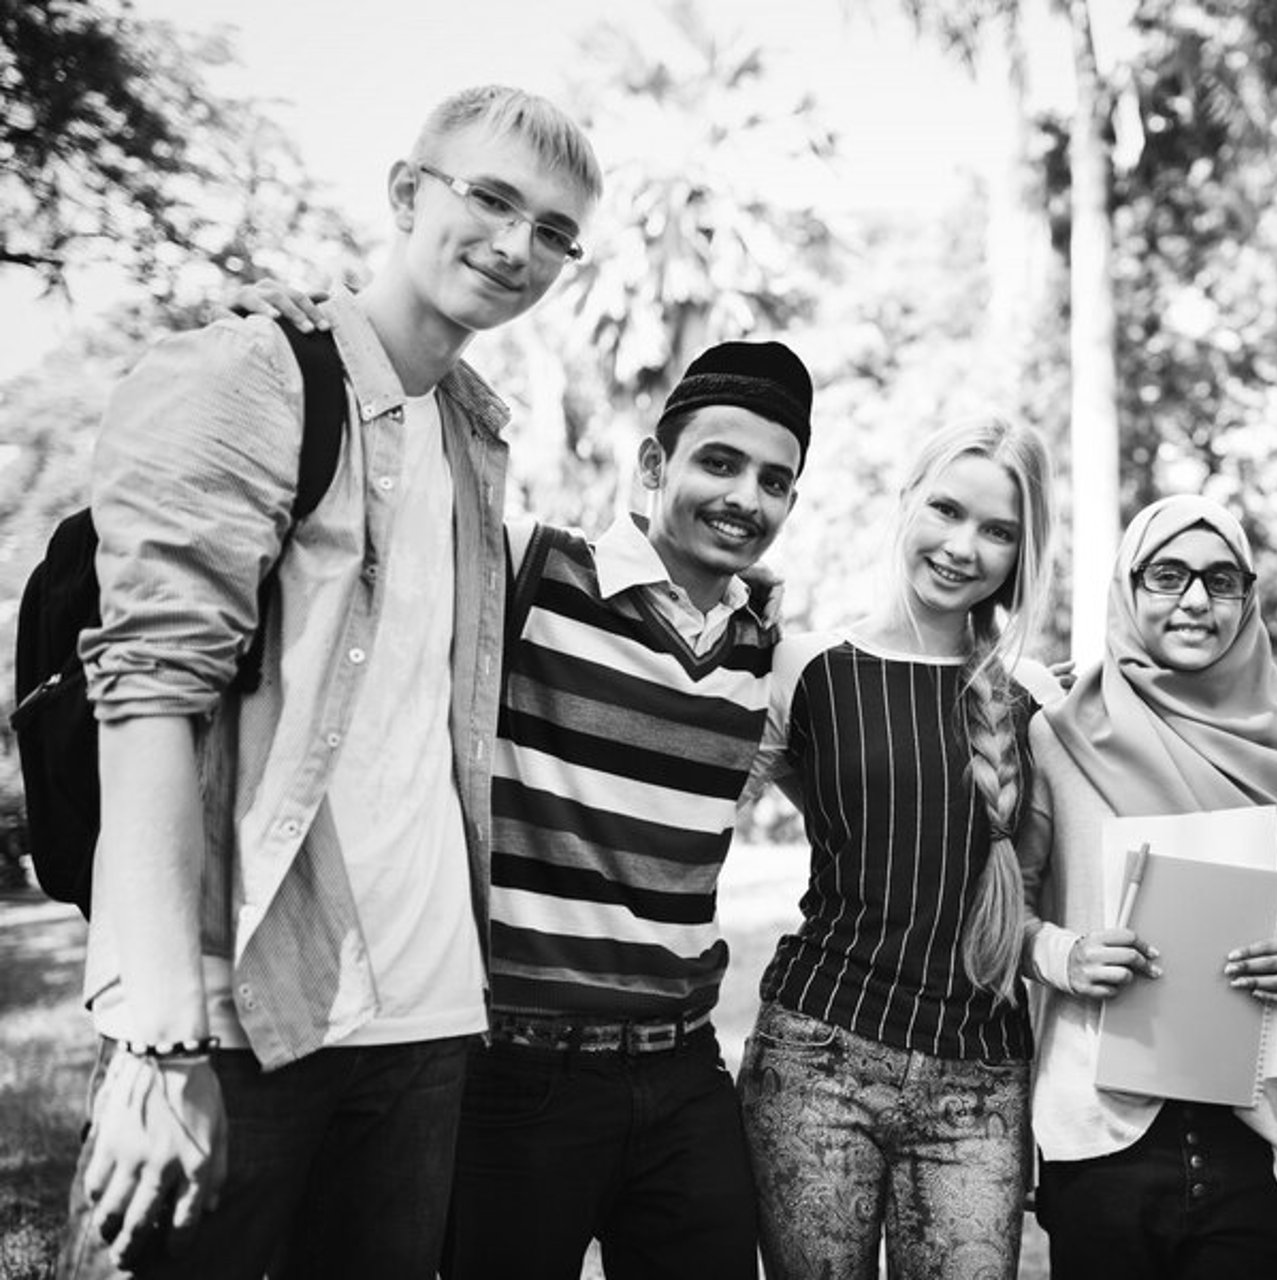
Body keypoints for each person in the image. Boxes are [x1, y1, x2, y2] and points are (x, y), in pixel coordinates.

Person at [64, 86, 601, 1280]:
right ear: (408, 193)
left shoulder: (474, 438)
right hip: (236, 1009)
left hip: (424, 1014)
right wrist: (160, 1033)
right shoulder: (249, 373)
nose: (520, 246)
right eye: (492, 199)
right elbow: (149, 690)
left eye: (557, 230)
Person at [440, 341, 810, 1279]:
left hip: (685, 1072)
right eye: (718, 463)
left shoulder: (761, 658)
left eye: (774, 481)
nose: (745, 498)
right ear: (654, 466)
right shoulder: (529, 570)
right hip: (518, 1070)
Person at [738, 417, 1059, 1280]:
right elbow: (697, 805)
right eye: (947, 510)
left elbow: (1052, 889)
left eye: (998, 531)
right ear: (906, 501)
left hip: (980, 1078)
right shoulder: (805, 669)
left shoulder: (1036, 700)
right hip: (817, 1058)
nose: (964, 547)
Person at [1016, 493, 1277, 1280]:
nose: (1195, 600)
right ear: (1128, 585)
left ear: (1248, 599)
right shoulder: (1059, 735)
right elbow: (999, 911)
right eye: (1169, 575)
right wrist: (1064, 953)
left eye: (1222, 580)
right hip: (1101, 1132)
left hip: (1249, 1134)